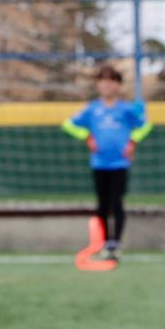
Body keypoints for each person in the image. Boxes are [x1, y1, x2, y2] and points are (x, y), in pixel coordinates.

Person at [61, 66, 151, 261]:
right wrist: (87, 137)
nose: (107, 85)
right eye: (102, 81)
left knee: (116, 203)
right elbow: (68, 124)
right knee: (102, 206)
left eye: (111, 81)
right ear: (97, 85)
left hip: (120, 163)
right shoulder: (92, 109)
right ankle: (104, 242)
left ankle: (115, 244)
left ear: (118, 85)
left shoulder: (126, 108)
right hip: (99, 163)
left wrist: (132, 142)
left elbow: (145, 125)